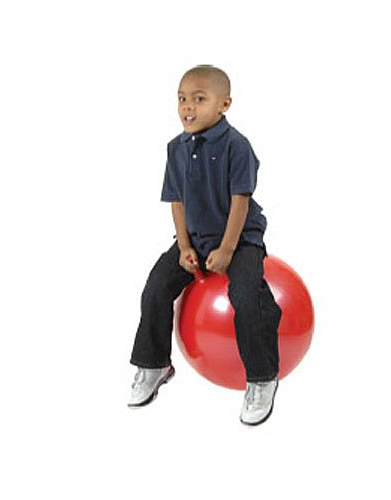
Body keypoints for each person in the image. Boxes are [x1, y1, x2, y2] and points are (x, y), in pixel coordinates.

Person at [128, 65, 282, 426]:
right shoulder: (176, 148)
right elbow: (177, 201)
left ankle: (262, 378)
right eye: (182, 99)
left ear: (224, 104)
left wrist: (227, 250)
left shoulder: (237, 146)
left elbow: (240, 201)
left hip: (239, 238)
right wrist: (184, 247)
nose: (188, 107)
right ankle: (154, 365)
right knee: (155, 288)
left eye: (199, 99)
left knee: (246, 296)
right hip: (195, 238)